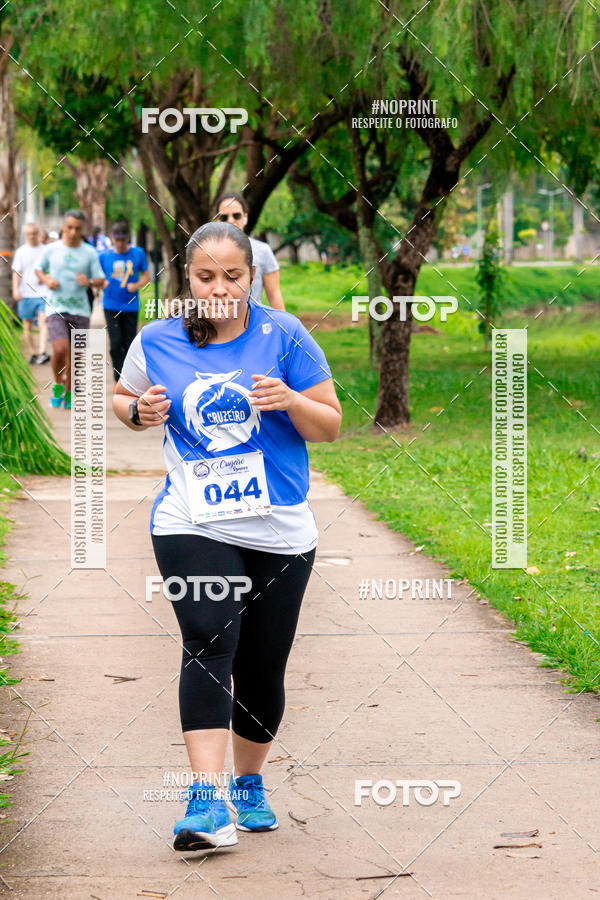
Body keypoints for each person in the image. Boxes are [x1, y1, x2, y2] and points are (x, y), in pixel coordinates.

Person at [113, 222, 341, 852]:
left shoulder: (286, 335)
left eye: (232, 277)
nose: (218, 289)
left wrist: (291, 400)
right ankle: (206, 803)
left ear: (252, 274)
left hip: (280, 527)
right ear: (187, 278)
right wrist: (139, 413)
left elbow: (329, 426)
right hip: (191, 518)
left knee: (262, 666)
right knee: (208, 640)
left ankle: (247, 784)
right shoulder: (157, 338)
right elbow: (123, 398)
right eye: (205, 277)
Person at [35, 210, 105, 410]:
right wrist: (47, 280)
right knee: (60, 349)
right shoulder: (52, 249)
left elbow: (101, 280)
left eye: (78, 229)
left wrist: (89, 282)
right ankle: (58, 383)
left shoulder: (89, 252)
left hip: (81, 310)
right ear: (64, 227)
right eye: (70, 227)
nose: (73, 232)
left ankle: (70, 391)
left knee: (76, 356)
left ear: (83, 230)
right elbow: (39, 269)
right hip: (55, 307)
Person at [99, 221, 150, 387]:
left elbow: (146, 276)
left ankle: (129, 381)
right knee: (115, 345)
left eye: (123, 240)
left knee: (129, 344)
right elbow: (96, 276)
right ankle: (118, 379)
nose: (120, 243)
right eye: (117, 240)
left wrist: (136, 285)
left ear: (128, 238)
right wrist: (100, 284)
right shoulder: (104, 256)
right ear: (112, 238)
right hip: (110, 305)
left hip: (131, 306)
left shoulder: (138, 253)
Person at [215, 193, 285, 310]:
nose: (231, 220)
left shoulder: (263, 251)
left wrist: (283, 326)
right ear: (217, 220)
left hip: (254, 324)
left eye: (236, 216)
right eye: (224, 217)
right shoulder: (207, 253)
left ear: (245, 217)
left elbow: (274, 295)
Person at [11, 222, 50, 364]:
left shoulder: (46, 250)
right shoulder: (21, 252)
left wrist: (46, 278)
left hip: (43, 293)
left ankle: (42, 351)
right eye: (29, 234)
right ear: (25, 235)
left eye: (34, 233)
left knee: (43, 321)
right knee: (26, 326)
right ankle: (33, 353)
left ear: (38, 234)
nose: (32, 236)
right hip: (25, 293)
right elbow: (16, 272)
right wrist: (15, 289)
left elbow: (51, 269)